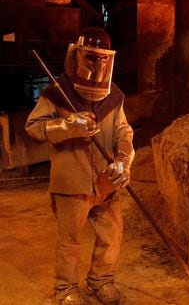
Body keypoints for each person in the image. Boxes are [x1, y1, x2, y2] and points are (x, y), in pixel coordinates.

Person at [25, 27, 135, 305]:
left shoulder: (113, 97)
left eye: (101, 58)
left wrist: (123, 160)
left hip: (106, 181)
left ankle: (101, 280)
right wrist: (67, 125)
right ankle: (65, 289)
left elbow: (124, 132)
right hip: (72, 182)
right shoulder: (57, 93)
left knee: (111, 234)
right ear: (77, 56)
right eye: (90, 57)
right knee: (70, 241)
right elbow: (34, 127)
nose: (96, 65)